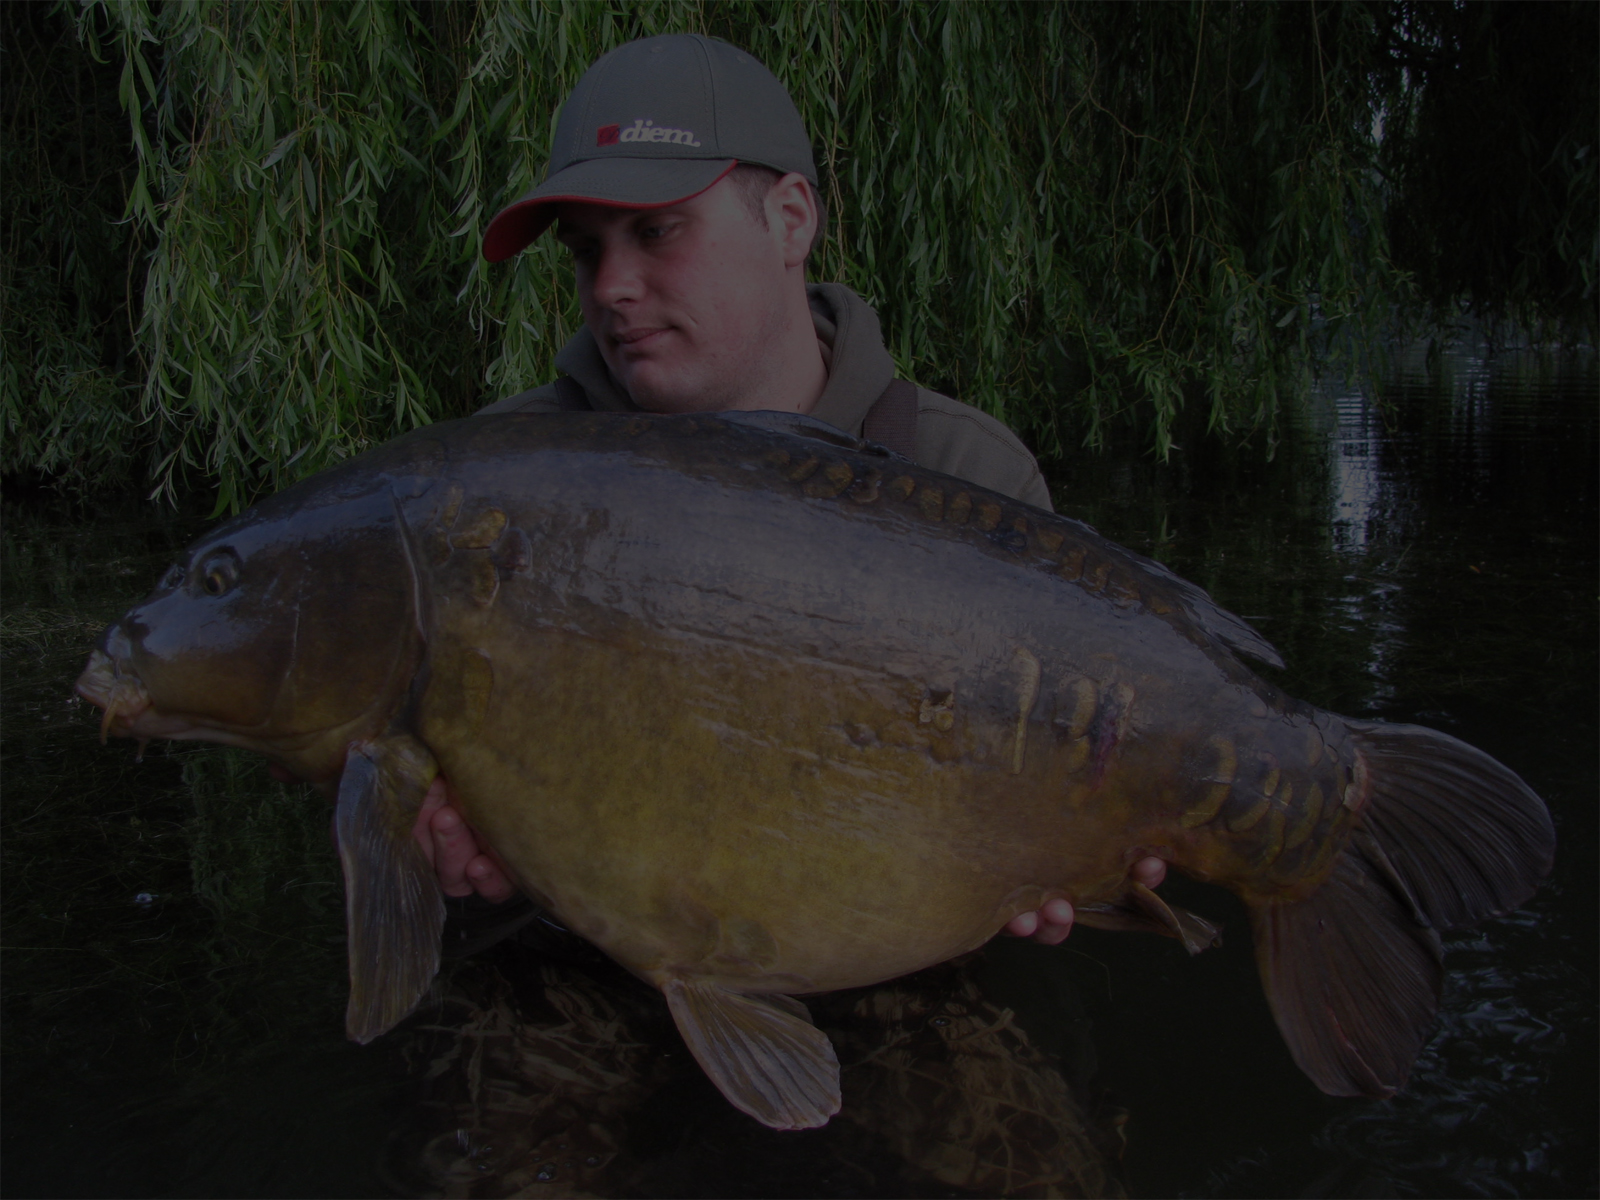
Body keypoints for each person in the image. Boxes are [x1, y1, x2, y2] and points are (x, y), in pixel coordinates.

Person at [412, 32, 1165, 946]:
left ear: (791, 220)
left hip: (887, 953)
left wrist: (1081, 848)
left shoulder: (966, 471)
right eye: (584, 251)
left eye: (655, 232)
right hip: (583, 943)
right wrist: (426, 846)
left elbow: (1075, 769)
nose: (611, 286)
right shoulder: (491, 489)